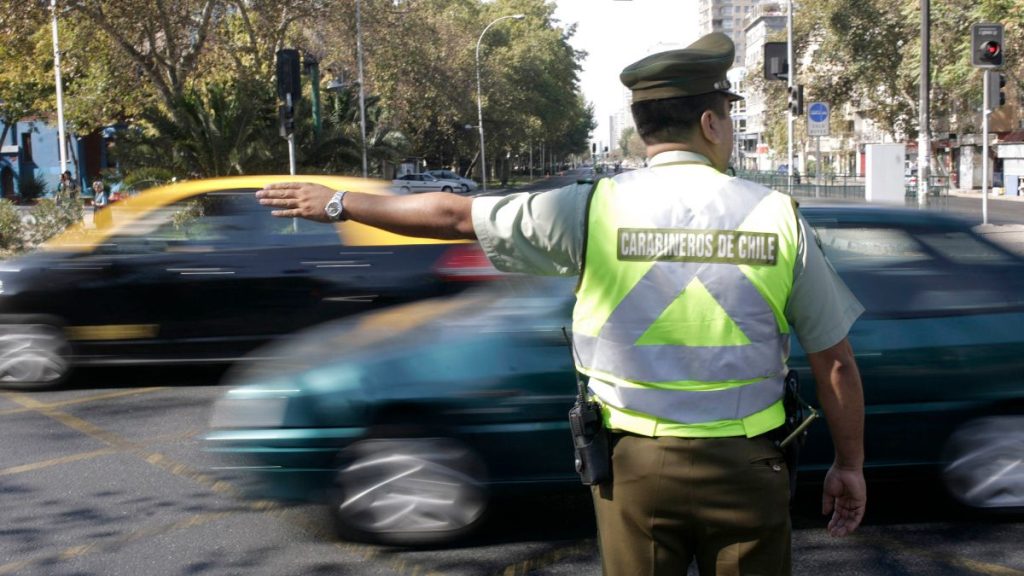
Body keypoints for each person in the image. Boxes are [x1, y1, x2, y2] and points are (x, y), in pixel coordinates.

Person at [256, 32, 865, 576]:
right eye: (728, 118)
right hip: (750, 469)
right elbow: (833, 362)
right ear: (710, 123)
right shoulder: (776, 214)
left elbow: (451, 214)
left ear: (643, 129)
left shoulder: (592, 207)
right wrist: (849, 465)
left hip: (635, 471)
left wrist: (339, 203)